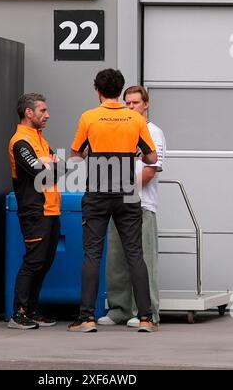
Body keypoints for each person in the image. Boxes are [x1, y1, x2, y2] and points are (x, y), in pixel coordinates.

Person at [68, 69, 158, 333]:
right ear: (120, 91)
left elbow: (75, 156)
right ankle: (145, 318)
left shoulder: (89, 117)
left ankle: (86, 318)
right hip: (127, 192)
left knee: (92, 255)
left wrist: (88, 151)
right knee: (135, 255)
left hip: (97, 192)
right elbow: (152, 159)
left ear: (98, 91)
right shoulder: (134, 118)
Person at [97, 85, 166, 328]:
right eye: (127, 103)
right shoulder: (123, 130)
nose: (131, 107)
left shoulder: (152, 132)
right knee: (116, 261)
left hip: (141, 205)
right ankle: (119, 309)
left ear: (146, 104)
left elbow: (149, 170)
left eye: (135, 102)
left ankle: (148, 311)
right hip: (117, 204)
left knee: (144, 260)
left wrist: (126, 194)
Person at [8, 93, 62, 329]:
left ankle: (32, 309)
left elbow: (53, 172)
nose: (47, 115)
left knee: (45, 261)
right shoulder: (20, 142)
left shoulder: (40, 139)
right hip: (34, 211)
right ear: (28, 113)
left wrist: (54, 165)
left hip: (51, 209)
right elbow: (43, 174)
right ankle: (18, 314)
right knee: (34, 261)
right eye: (43, 110)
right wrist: (54, 164)